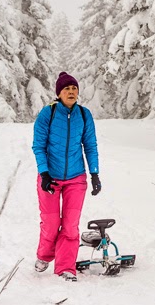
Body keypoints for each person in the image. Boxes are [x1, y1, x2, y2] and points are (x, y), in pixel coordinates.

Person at [31, 71, 101, 281]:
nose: (71, 92)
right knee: (51, 224)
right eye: (66, 89)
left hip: (76, 178)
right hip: (50, 177)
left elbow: (90, 145)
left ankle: (65, 268)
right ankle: (44, 255)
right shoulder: (48, 114)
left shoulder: (84, 114)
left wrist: (94, 173)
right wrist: (44, 174)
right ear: (59, 93)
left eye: (74, 89)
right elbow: (38, 146)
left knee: (70, 226)